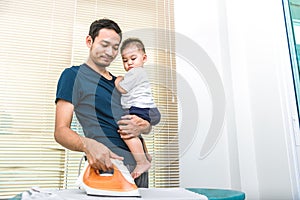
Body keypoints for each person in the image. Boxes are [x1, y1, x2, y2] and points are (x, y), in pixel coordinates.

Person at [54, 19, 152, 187]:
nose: (110, 52)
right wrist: (87, 144)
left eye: (115, 47)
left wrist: (143, 126)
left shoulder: (121, 84)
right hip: (107, 166)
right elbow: (60, 131)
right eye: (104, 44)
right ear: (89, 41)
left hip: (139, 168)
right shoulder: (73, 76)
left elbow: (143, 122)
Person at [114, 38, 161, 179]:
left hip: (139, 108)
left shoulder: (136, 72)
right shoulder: (138, 73)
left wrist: (117, 80)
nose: (129, 63)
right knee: (136, 133)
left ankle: (141, 162)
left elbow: (122, 89)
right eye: (125, 60)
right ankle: (145, 155)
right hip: (147, 109)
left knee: (126, 131)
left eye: (133, 58)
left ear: (144, 58)